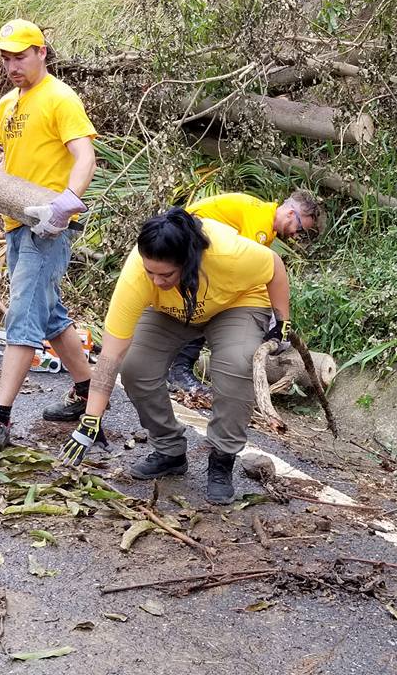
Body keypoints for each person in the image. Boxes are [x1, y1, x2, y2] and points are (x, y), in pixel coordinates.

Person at [58, 208, 291, 504]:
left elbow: (275, 266)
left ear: (188, 261)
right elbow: (111, 357)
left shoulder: (230, 255)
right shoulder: (138, 275)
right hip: (172, 309)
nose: (155, 280)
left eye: (165, 273)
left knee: (236, 364)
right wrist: (90, 420)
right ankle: (169, 450)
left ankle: (222, 458)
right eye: (149, 272)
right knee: (136, 367)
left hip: (237, 303)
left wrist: (282, 323)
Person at [0, 19, 97, 452]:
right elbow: (9, 163)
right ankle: (87, 391)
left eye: (21, 56)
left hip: (45, 227)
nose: (13, 66)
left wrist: (66, 203)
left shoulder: (60, 98)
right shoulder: (7, 105)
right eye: (7, 58)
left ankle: (0, 420)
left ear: (42, 53)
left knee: (23, 317)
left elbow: (84, 155)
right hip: (17, 222)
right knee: (49, 315)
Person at [166, 189, 324, 392]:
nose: (295, 235)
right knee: (212, 305)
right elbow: (247, 272)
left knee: (213, 302)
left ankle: (174, 367)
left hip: (191, 245)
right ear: (291, 214)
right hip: (185, 244)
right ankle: (179, 370)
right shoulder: (260, 223)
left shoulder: (263, 219)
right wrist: (275, 321)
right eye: (300, 229)